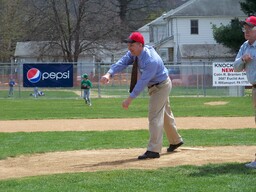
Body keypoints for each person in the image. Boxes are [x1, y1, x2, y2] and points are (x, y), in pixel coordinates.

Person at [100, 31, 183, 160]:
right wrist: (109, 73)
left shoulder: (151, 60)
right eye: (128, 45)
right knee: (165, 115)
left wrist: (130, 99)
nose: (129, 48)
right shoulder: (135, 53)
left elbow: (142, 82)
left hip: (161, 86)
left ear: (140, 45)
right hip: (156, 85)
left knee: (154, 116)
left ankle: (154, 150)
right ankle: (176, 140)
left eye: (131, 45)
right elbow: (122, 62)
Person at [233, 15, 256, 169]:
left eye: (250, 28)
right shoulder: (245, 47)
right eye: (245, 28)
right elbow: (235, 67)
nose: (246, 31)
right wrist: (243, 59)